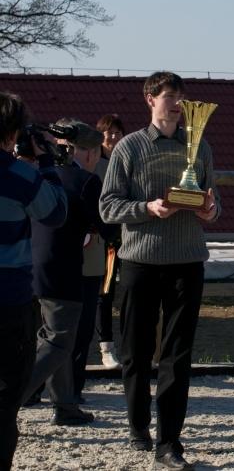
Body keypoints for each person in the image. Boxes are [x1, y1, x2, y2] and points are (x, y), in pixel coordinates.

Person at [100, 71, 220, 471]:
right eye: (170, 96)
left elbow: (213, 199)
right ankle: (138, 425)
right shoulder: (129, 147)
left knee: (178, 356)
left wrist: (210, 210)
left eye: (181, 96)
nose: (178, 104)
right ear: (150, 99)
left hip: (188, 261)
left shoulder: (200, 146)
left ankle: (170, 442)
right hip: (141, 262)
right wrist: (147, 208)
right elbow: (108, 206)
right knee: (136, 352)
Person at [21, 121, 117, 426]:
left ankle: (65, 405)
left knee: (53, 336)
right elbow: (109, 229)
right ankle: (9, 399)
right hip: (62, 270)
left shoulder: (39, 174)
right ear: (89, 153)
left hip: (30, 267)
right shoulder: (86, 181)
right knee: (59, 340)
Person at [0, 92, 67, 471]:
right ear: (12, 133)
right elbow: (55, 212)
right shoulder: (20, 176)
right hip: (9, 303)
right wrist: (45, 163)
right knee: (5, 402)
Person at [68, 119, 121, 400]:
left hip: (57, 262)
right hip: (89, 252)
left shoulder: (52, 173)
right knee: (81, 324)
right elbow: (105, 222)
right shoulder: (88, 178)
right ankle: (70, 390)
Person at [93, 113, 126, 369]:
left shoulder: (127, 160)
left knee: (129, 292)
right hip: (104, 237)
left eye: (117, 132)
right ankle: (106, 346)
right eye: (109, 132)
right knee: (104, 291)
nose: (113, 137)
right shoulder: (96, 163)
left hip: (128, 234)